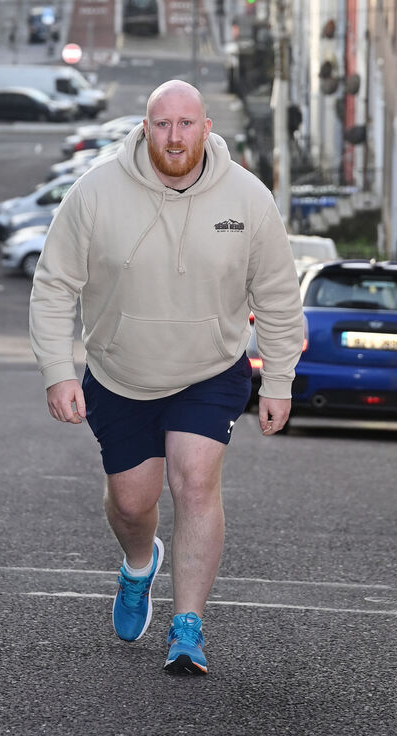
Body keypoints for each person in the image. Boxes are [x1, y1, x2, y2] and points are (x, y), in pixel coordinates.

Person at [29, 80, 304, 676]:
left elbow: (280, 298)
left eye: (186, 124)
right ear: (145, 128)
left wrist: (278, 380)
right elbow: (54, 286)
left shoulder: (249, 199)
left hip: (211, 370)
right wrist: (58, 371)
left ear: (206, 127)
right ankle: (136, 564)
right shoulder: (96, 192)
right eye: (162, 124)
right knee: (133, 503)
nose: (174, 137)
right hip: (120, 372)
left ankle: (188, 627)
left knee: (196, 481)